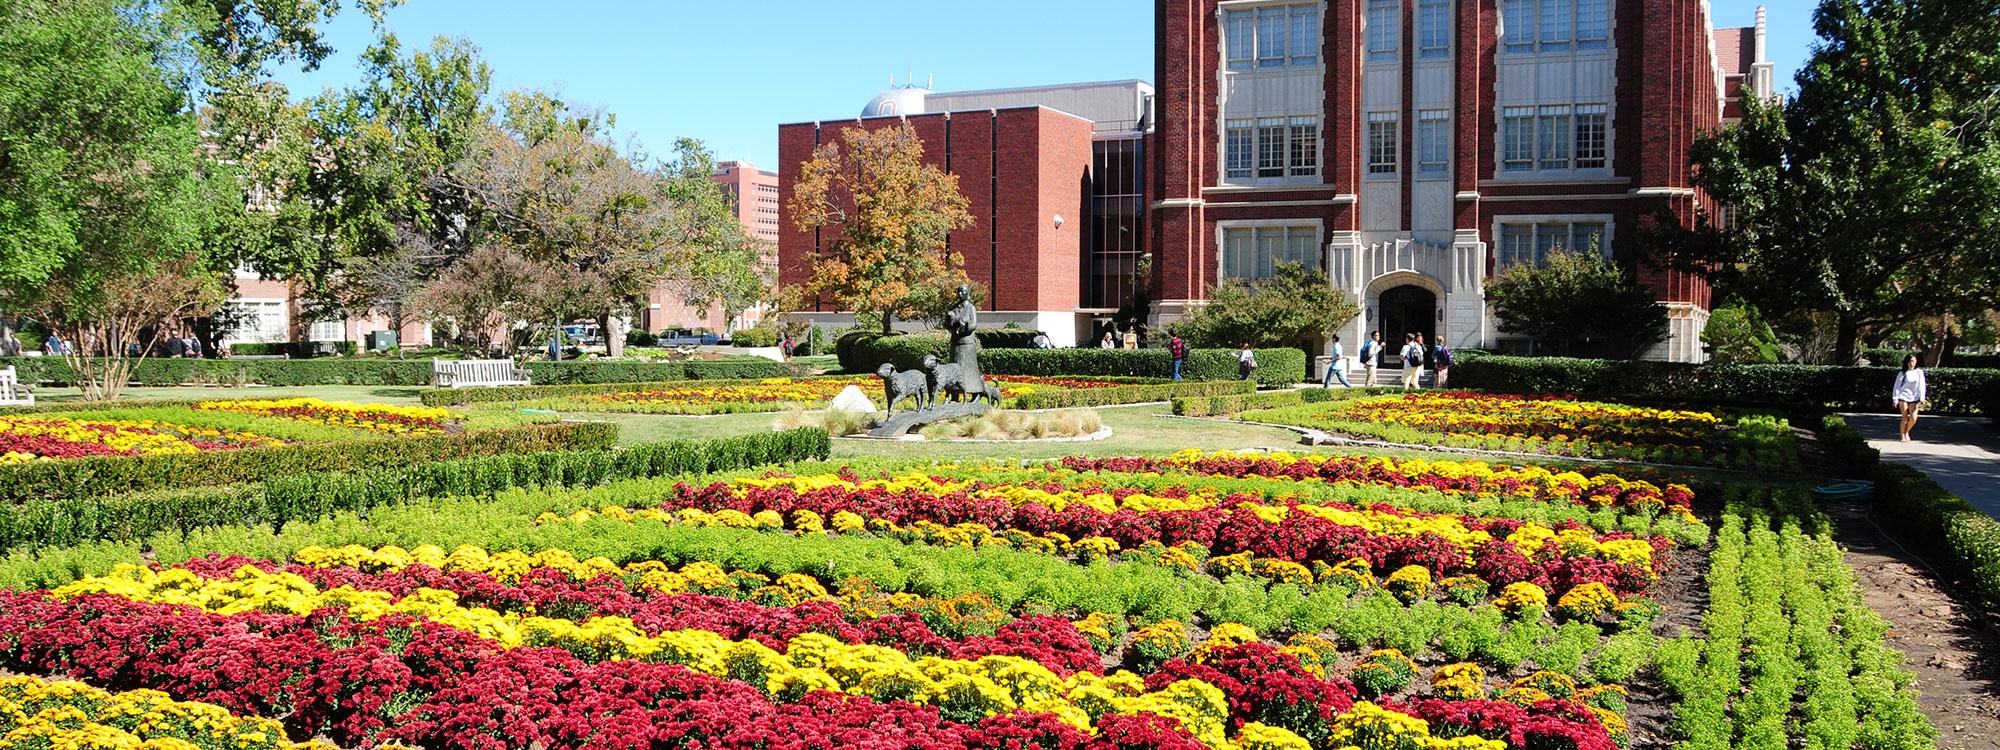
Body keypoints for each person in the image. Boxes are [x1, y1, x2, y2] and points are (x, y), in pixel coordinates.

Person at [1893, 353, 1928, 442]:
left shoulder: (1919, 372)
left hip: (1914, 397)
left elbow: (1921, 385)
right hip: (1903, 396)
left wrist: (1922, 397)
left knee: (1913, 418)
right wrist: (1895, 399)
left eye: (1913, 361)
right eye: (1910, 361)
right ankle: (1902, 435)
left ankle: (1906, 431)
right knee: (1905, 416)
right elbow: (1897, 386)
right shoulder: (1902, 373)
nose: (1912, 363)